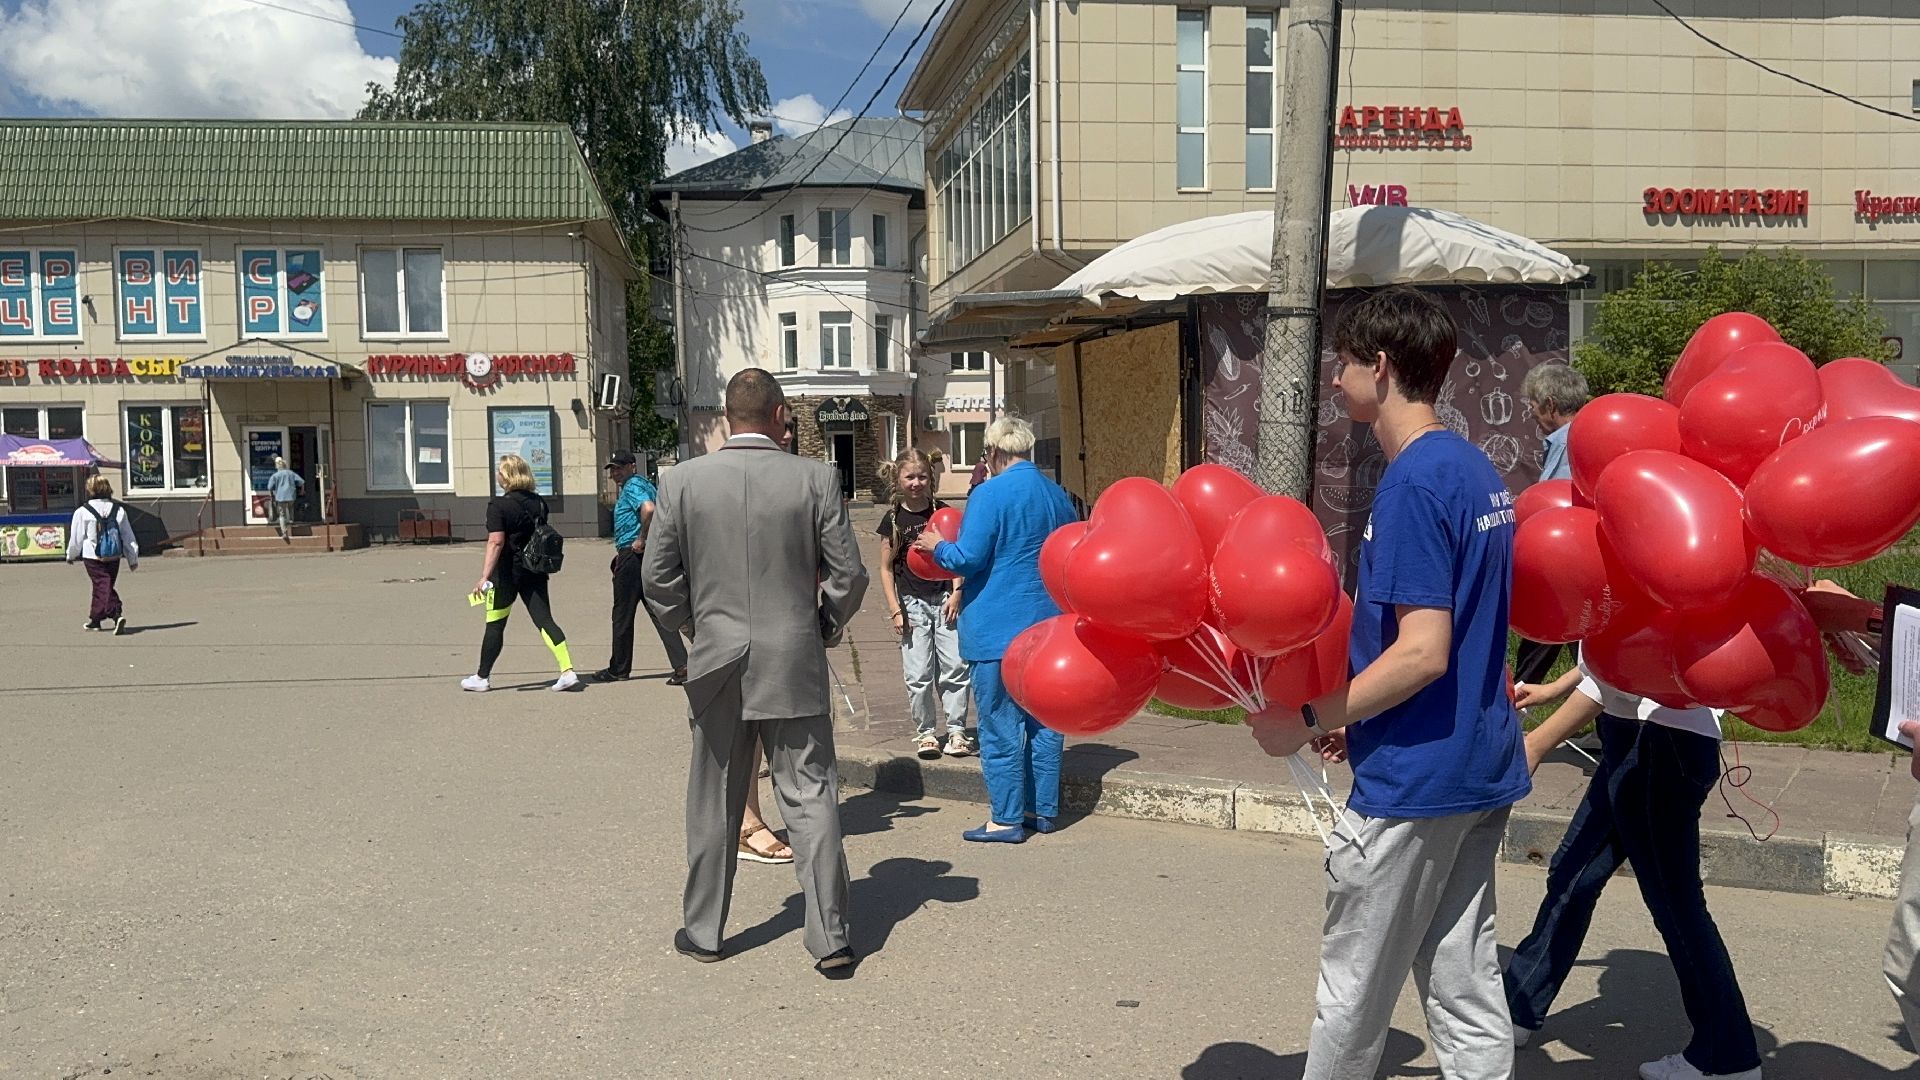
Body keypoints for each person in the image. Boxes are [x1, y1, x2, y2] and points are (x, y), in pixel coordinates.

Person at [1247, 286, 1530, 1079]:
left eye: (1344, 363)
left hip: (1415, 779)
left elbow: (1422, 653)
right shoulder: (1474, 469)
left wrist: (1304, 716)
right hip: (1477, 766)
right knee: (1464, 982)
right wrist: (1354, 716)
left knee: (1353, 995)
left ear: (1381, 366)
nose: (1336, 381)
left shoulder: (1411, 485)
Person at [643, 368, 868, 975]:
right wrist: (819, 625)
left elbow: (657, 580)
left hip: (716, 660)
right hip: (793, 659)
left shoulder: (682, 481)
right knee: (810, 793)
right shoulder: (816, 478)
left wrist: (701, 629)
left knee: (714, 800)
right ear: (778, 417)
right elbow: (849, 577)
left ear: (725, 417)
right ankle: (830, 938)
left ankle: (705, 932)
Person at [1504, 658, 1761, 1080]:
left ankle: (1727, 1054)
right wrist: (1556, 687)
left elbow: (1619, 669)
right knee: (1574, 873)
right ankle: (1518, 1005)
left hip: (1658, 748)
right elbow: (1604, 657)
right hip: (1637, 741)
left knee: (1677, 906)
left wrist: (1537, 742)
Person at [914, 416, 1078, 843]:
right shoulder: (1058, 496)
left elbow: (967, 558)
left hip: (997, 630)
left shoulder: (988, 494)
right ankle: (1041, 811)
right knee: (1045, 722)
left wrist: (936, 547)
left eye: (986, 455)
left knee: (1000, 725)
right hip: (1049, 627)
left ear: (994, 453)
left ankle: (1005, 819)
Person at [879, 449, 972, 760]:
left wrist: (958, 592)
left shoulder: (943, 512)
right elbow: (886, 568)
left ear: (931, 479)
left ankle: (957, 731)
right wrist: (895, 609)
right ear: (898, 479)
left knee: (956, 667)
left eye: (922, 477)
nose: (916, 482)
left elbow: (958, 556)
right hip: (912, 604)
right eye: (910, 477)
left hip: (946, 599)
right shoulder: (893, 520)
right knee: (918, 673)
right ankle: (926, 733)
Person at [463, 454, 577, 693]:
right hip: (534, 571)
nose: (498, 476)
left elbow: (496, 542)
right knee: (544, 620)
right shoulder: (539, 502)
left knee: (495, 624)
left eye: (500, 472)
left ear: (506, 476)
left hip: (505, 575)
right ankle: (567, 670)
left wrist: (484, 576)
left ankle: (482, 677)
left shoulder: (498, 505)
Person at [1512, 363, 1589, 686]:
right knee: (1579, 645)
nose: (1530, 411)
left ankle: (1513, 714)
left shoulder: (1565, 443)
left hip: (1567, 563)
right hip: (1583, 561)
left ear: (1550, 405)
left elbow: (1554, 505)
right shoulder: (1586, 432)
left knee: (1550, 633)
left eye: (1532, 403)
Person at [591, 450, 688, 687]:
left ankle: (618, 669)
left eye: (620, 467)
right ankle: (683, 665)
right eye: (613, 468)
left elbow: (649, 510)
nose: (615, 472)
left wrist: (642, 538)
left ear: (632, 466)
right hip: (646, 557)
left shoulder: (633, 486)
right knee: (657, 611)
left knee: (622, 613)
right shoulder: (644, 484)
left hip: (632, 556)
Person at [66, 474, 138, 634]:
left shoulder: (83, 511)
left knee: (102, 584)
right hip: (114, 555)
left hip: (92, 556)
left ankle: (116, 613)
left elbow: (76, 537)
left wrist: (71, 554)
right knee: (104, 585)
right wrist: (132, 558)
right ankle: (95, 620)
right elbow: (127, 536)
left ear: (91, 490)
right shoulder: (118, 510)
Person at [265, 456, 305, 542]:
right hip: (291, 496)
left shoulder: (275, 476)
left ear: (277, 466)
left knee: (282, 514)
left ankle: (284, 532)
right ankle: (291, 522)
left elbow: (270, 487)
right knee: (290, 508)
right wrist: (302, 490)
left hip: (280, 497)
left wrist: (271, 495)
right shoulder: (291, 473)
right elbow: (301, 481)